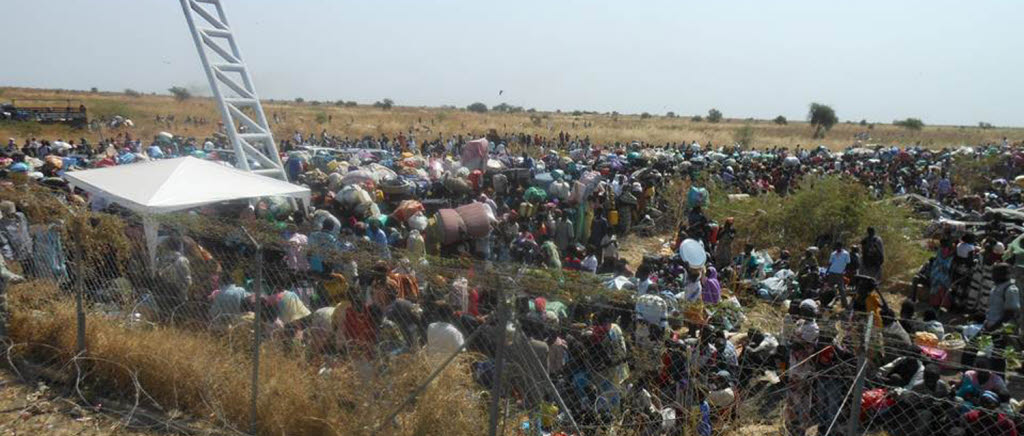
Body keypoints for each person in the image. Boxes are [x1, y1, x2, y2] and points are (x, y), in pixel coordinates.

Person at [985, 262, 1020, 331]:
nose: (992, 276)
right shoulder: (996, 287)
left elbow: (1010, 314)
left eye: (995, 274)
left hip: (1003, 330)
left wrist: (994, 328)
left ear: (1004, 275)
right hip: (990, 325)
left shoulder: (1011, 289)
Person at [825, 241, 851, 308]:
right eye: (836, 247)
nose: (837, 248)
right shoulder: (833, 254)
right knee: (829, 288)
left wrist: (846, 272)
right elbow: (830, 263)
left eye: (838, 247)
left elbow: (848, 263)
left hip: (839, 273)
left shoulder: (846, 254)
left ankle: (845, 305)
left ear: (841, 247)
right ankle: (828, 302)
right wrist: (827, 272)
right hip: (832, 272)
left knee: (841, 289)